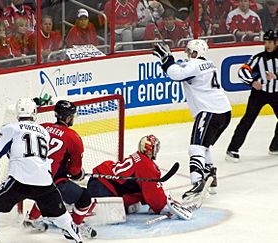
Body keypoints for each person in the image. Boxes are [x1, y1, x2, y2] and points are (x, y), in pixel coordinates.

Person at [0, 98, 83, 243]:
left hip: (19, 180)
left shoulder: (11, 127)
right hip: (45, 181)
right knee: (63, 218)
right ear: (34, 113)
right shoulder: (43, 131)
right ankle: (78, 240)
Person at [153, 40, 231, 199]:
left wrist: (166, 59)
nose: (188, 54)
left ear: (197, 53)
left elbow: (176, 74)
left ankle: (197, 183)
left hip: (209, 111)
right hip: (224, 112)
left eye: (190, 52)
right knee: (205, 146)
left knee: (196, 147)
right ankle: (210, 175)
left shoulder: (194, 65)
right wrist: (169, 60)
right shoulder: (208, 64)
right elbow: (181, 70)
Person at [23, 100, 97, 239]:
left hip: (27, 176)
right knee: (84, 198)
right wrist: (78, 174)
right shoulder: (73, 137)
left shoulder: (42, 127)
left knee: (46, 193)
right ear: (69, 118)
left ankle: (31, 219)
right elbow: (74, 170)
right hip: (49, 181)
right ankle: (73, 227)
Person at [87, 134, 192, 220]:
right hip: (101, 187)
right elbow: (154, 196)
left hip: (100, 181)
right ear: (150, 150)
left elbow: (145, 189)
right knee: (110, 217)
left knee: (132, 206)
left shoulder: (139, 157)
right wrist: (163, 207)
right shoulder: (147, 166)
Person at [226, 30, 278, 162]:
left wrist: (276, 76)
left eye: (270, 42)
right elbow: (243, 70)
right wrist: (251, 82)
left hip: (276, 93)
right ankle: (232, 149)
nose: (267, 45)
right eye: (266, 42)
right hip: (259, 94)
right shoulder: (259, 58)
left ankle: (275, 146)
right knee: (247, 120)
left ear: (276, 42)